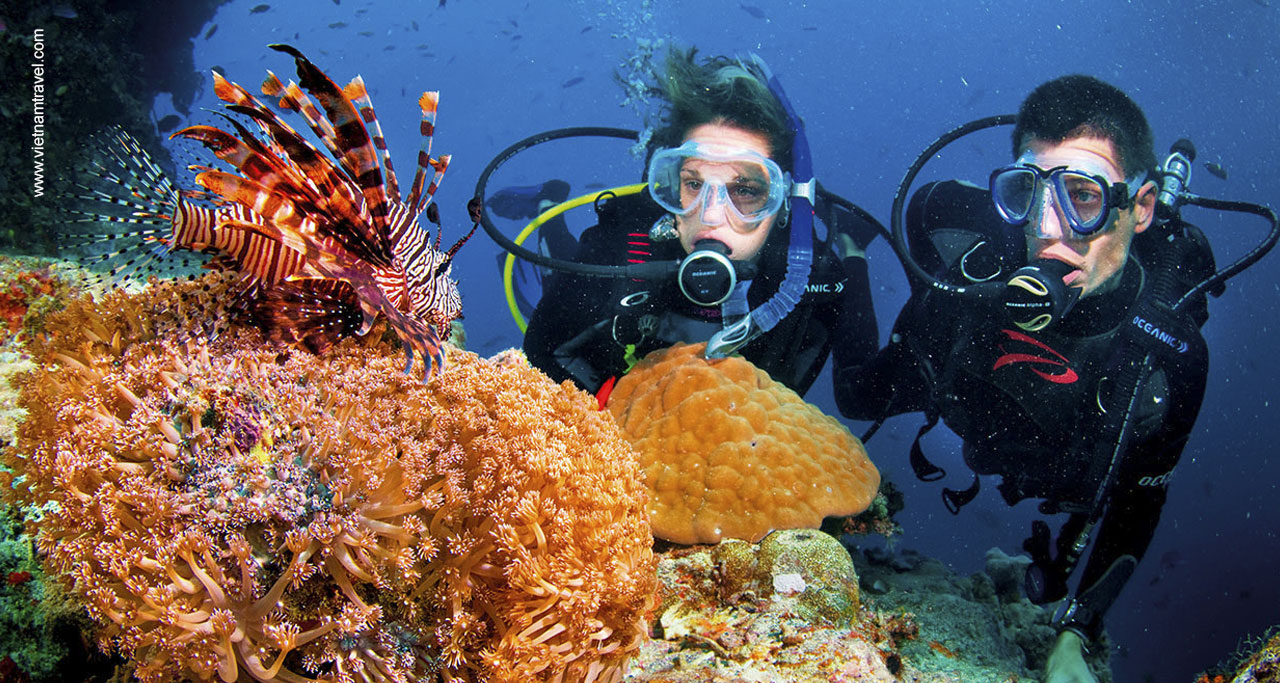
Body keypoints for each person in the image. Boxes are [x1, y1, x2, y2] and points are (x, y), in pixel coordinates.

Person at [835, 75, 1216, 682]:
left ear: (1139, 208)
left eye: (1083, 197)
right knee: (853, 395)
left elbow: (1136, 509)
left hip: (1062, 462)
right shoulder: (978, 264)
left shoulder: (1168, 360)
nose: (1046, 227)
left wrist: (1075, 631)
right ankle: (845, 256)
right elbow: (924, 214)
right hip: (961, 385)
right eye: (1026, 193)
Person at [522, 47, 880, 399]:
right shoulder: (624, 243)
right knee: (558, 259)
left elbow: (783, 405)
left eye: (744, 190)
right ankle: (547, 202)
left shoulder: (809, 283)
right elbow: (542, 350)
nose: (709, 215)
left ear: (782, 200)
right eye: (694, 183)